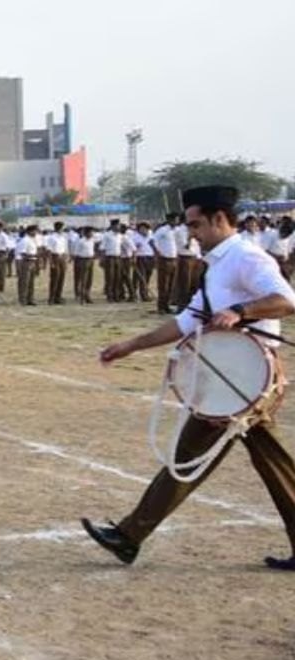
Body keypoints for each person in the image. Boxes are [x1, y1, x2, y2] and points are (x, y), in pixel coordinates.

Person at [82, 186, 295, 571]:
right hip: (234, 383)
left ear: (219, 219)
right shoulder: (217, 265)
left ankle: (130, 536)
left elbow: (285, 300)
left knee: (191, 457)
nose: (190, 232)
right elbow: (186, 322)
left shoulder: (246, 256)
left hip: (244, 384)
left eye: (196, 224)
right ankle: (130, 535)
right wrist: (131, 345)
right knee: (269, 463)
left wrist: (242, 311)